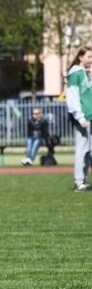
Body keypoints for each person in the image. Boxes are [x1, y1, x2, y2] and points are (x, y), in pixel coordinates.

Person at [65, 47, 92, 191]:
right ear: (80, 57)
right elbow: (72, 97)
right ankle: (78, 181)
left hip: (90, 117)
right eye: (89, 57)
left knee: (89, 151)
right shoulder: (76, 73)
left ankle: (83, 179)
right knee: (82, 150)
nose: (91, 60)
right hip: (83, 118)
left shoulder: (85, 73)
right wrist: (80, 116)